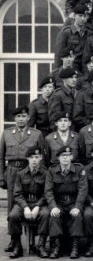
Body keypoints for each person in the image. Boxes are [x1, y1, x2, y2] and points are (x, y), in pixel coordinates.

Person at [1, 106, 46, 251]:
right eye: (18, 116)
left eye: (24, 116)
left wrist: (41, 174)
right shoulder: (7, 133)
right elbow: (1, 157)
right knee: (12, 206)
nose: (21, 119)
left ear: (28, 118)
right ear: (15, 118)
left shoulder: (36, 134)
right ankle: (14, 240)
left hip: (30, 170)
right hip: (12, 171)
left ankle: (32, 240)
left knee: (32, 201)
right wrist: (1, 177)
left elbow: (42, 158)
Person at [44, 146, 87, 259]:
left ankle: (75, 246)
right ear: (58, 158)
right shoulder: (52, 171)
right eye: (63, 156)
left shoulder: (79, 169)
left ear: (71, 157)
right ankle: (56, 246)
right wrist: (53, 206)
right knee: (54, 216)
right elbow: (48, 191)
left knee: (77, 216)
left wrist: (77, 207)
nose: (65, 158)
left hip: (73, 202)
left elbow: (83, 190)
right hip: (59, 203)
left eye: (68, 156)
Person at [7, 147, 49, 259]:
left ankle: (41, 246)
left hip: (40, 203)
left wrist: (37, 206)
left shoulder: (46, 173)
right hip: (24, 203)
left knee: (46, 214)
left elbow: (47, 193)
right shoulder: (21, 173)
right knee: (13, 215)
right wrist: (25, 207)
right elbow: (17, 194)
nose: (34, 160)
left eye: (36, 157)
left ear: (41, 158)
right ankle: (17, 246)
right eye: (31, 157)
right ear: (27, 158)